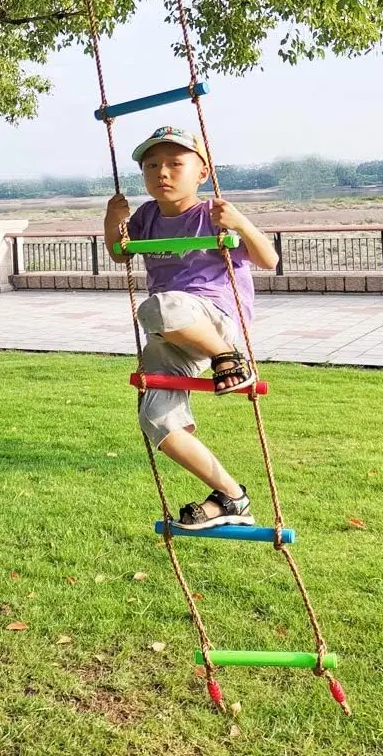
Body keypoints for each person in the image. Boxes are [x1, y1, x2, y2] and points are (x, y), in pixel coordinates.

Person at [104, 126, 280, 530]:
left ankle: (229, 358)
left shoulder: (211, 215)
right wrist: (112, 221)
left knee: (158, 308)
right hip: (171, 333)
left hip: (215, 320)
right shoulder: (147, 216)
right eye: (151, 165)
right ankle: (231, 497)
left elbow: (268, 259)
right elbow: (118, 253)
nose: (162, 172)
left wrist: (240, 223)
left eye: (174, 164)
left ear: (202, 172)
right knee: (156, 421)